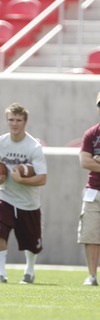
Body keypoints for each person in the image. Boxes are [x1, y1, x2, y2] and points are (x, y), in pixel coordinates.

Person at [0, 102, 47, 285]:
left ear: (25, 122)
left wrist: (22, 179)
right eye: (11, 119)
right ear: (7, 121)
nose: (14, 123)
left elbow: (42, 178)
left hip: (28, 201)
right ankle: (1, 274)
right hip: (4, 197)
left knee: (32, 242)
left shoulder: (33, 147)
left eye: (18, 120)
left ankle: (29, 271)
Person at [77, 91, 100, 286]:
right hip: (94, 191)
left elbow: (92, 161)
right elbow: (85, 161)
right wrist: (94, 161)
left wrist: (97, 161)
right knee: (91, 233)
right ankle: (92, 275)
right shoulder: (92, 133)